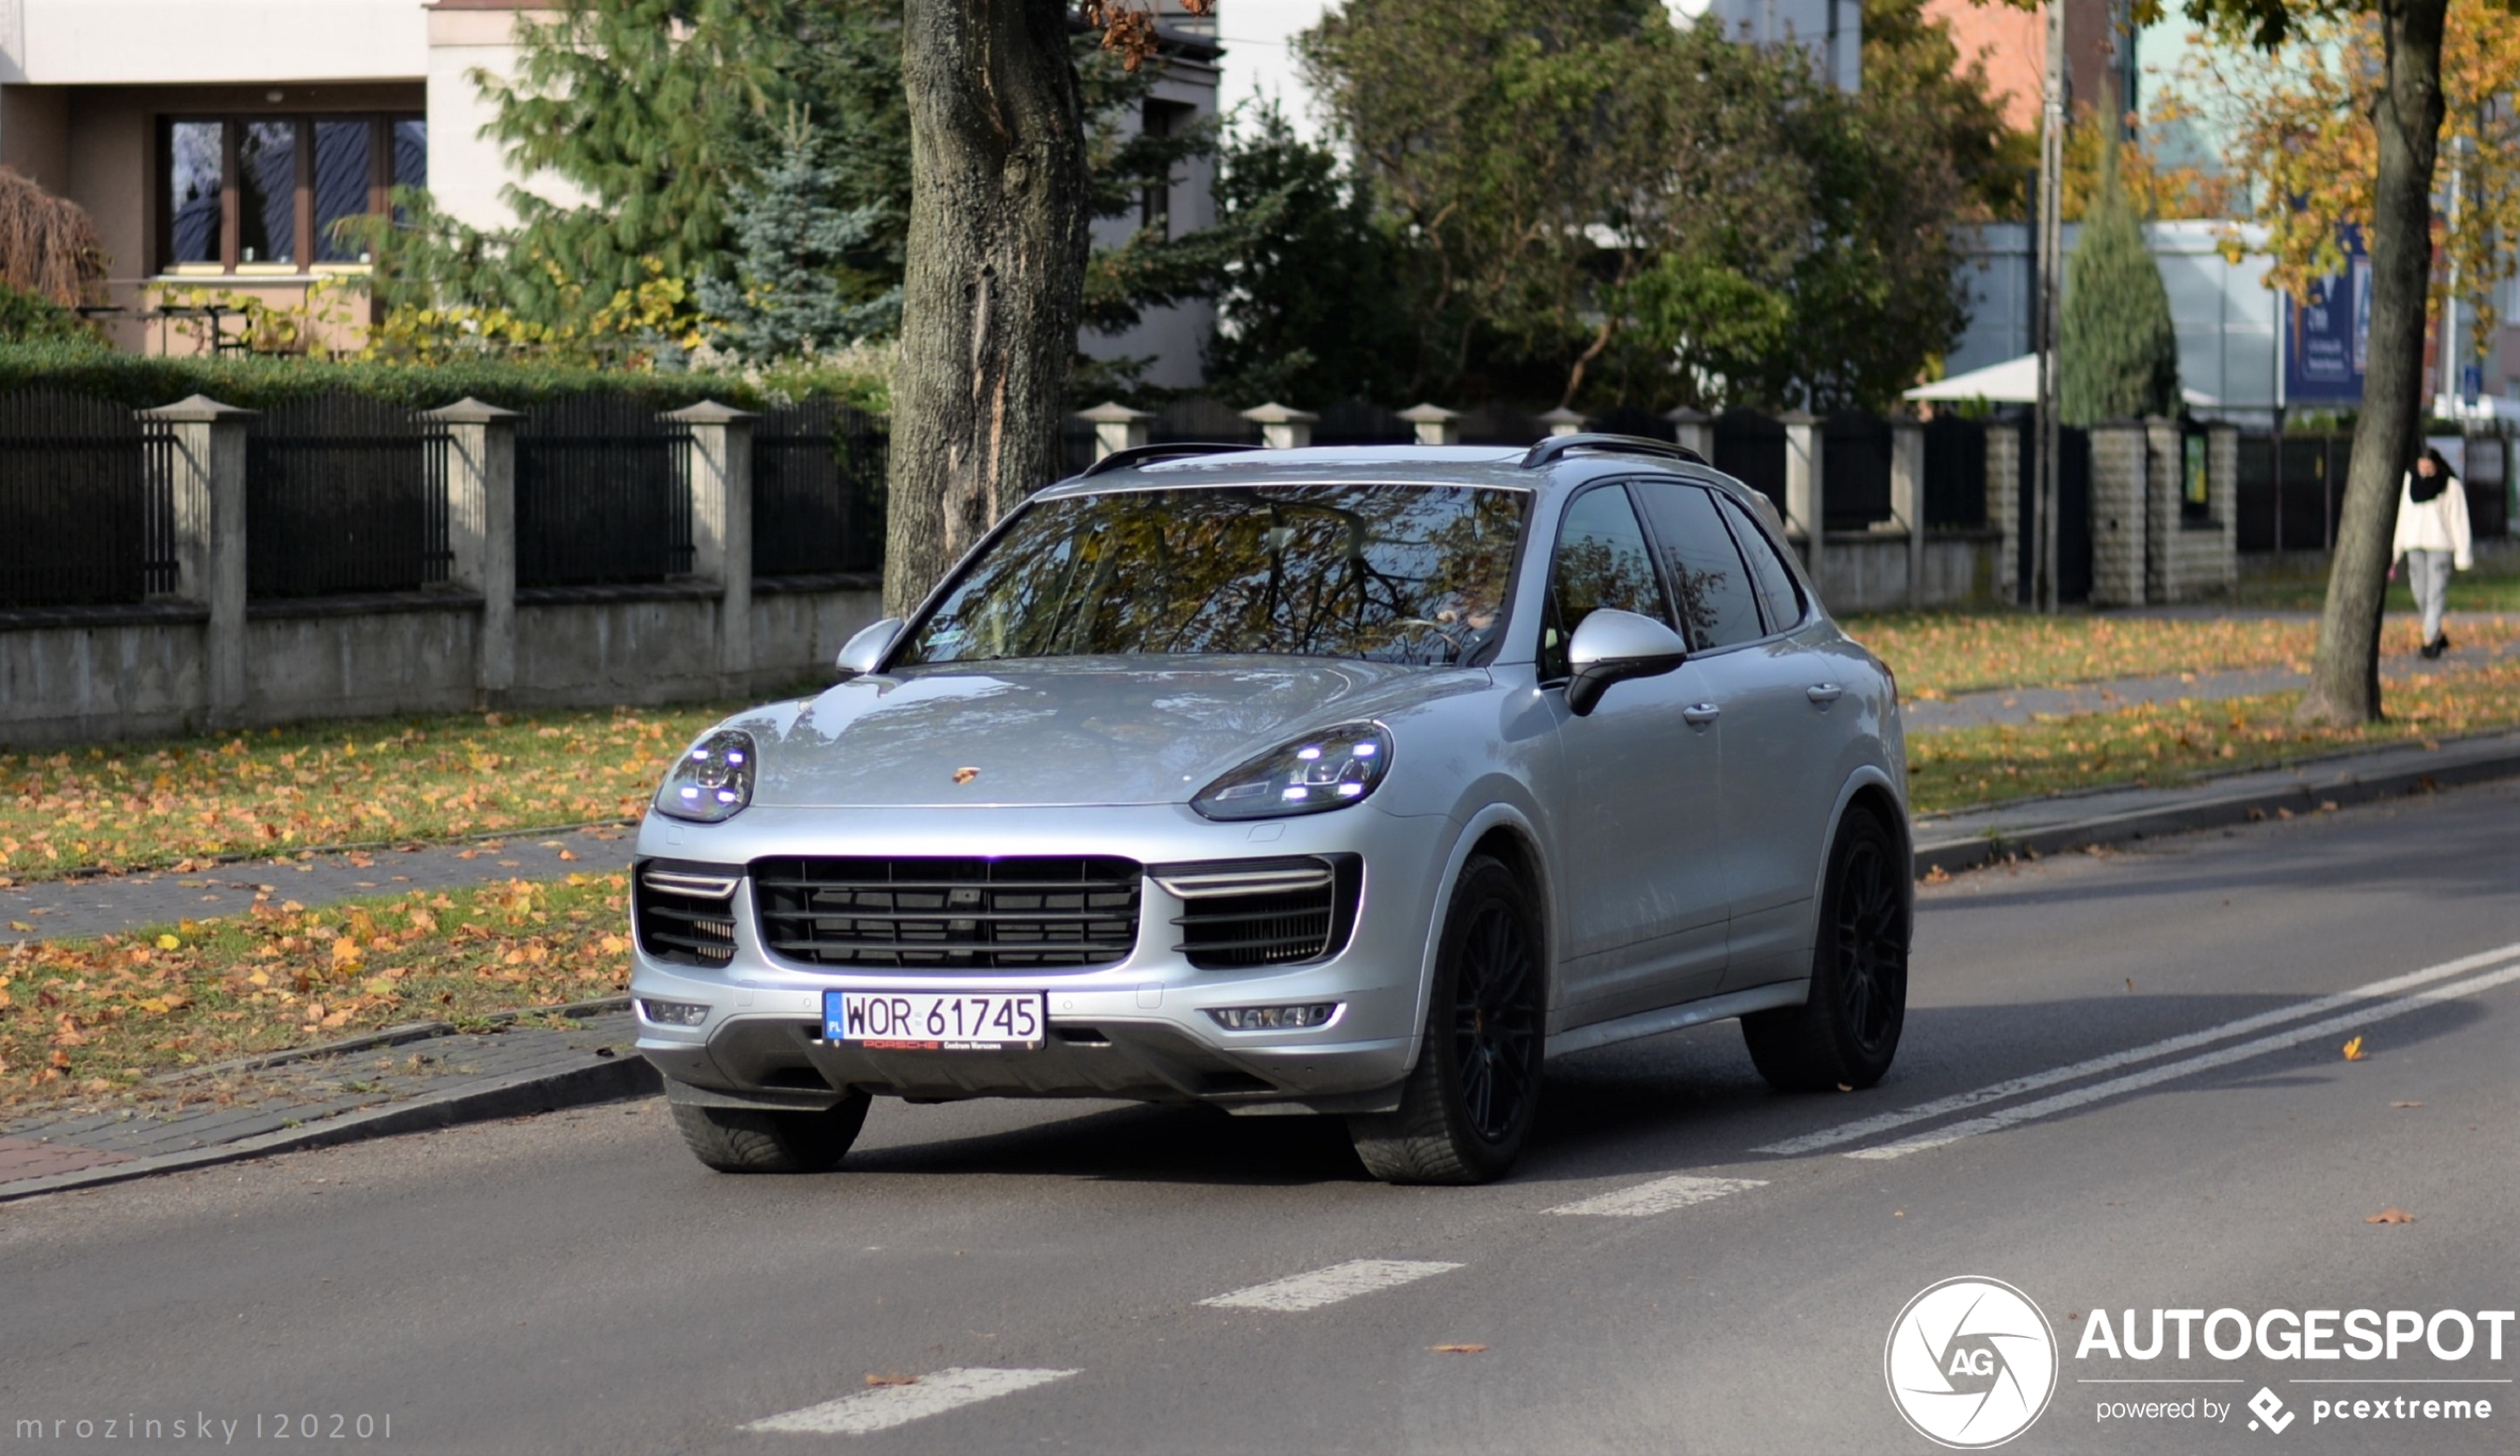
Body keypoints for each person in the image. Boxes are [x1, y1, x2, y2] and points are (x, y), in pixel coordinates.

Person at [2390, 447, 2473, 660]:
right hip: (2414, 544)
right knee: (2420, 592)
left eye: (2428, 466)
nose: (2425, 470)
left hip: (2440, 546)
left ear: (2437, 465)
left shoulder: (2450, 486)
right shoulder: (2410, 484)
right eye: (2421, 466)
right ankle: (2436, 632)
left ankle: (2428, 642)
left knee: (2435, 593)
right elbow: (2403, 516)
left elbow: (2459, 520)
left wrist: (2463, 554)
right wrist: (2396, 550)